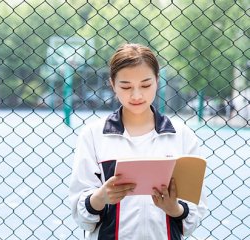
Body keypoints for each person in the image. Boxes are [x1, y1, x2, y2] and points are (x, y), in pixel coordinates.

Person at [69, 43, 207, 239]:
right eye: (126, 86)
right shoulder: (93, 135)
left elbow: (194, 214)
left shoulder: (182, 136)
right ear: (112, 84)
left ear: (157, 81)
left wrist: (174, 208)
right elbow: (81, 215)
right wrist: (100, 198)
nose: (136, 95)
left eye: (145, 85)